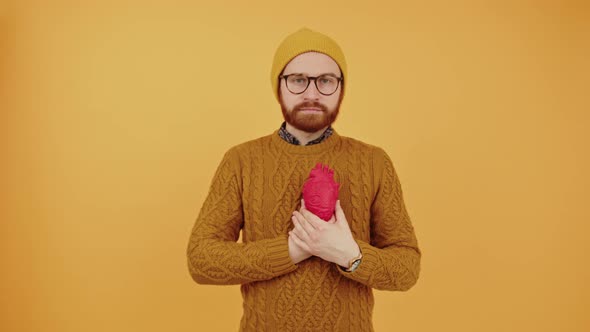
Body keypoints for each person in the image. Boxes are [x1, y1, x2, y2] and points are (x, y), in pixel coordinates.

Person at [186, 27, 421, 332]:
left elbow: (407, 268)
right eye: (298, 80)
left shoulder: (373, 162)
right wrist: (294, 250)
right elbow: (201, 259)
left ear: (341, 88)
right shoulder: (241, 161)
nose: (312, 93)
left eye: (325, 81)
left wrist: (349, 255)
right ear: (279, 86)